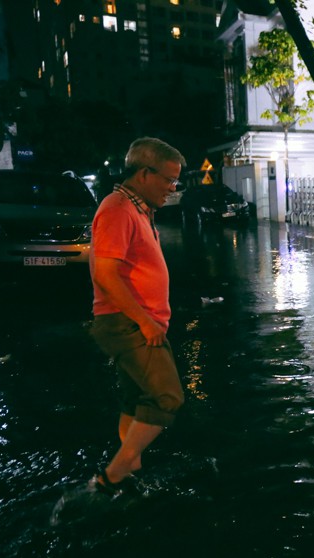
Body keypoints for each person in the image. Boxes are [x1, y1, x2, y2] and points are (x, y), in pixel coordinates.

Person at [88, 137, 186, 495]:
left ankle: (131, 467)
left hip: (135, 321)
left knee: (134, 399)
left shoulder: (136, 208)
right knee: (166, 397)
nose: (172, 188)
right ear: (145, 173)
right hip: (128, 322)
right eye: (168, 179)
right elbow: (105, 273)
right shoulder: (118, 208)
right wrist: (145, 321)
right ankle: (114, 474)